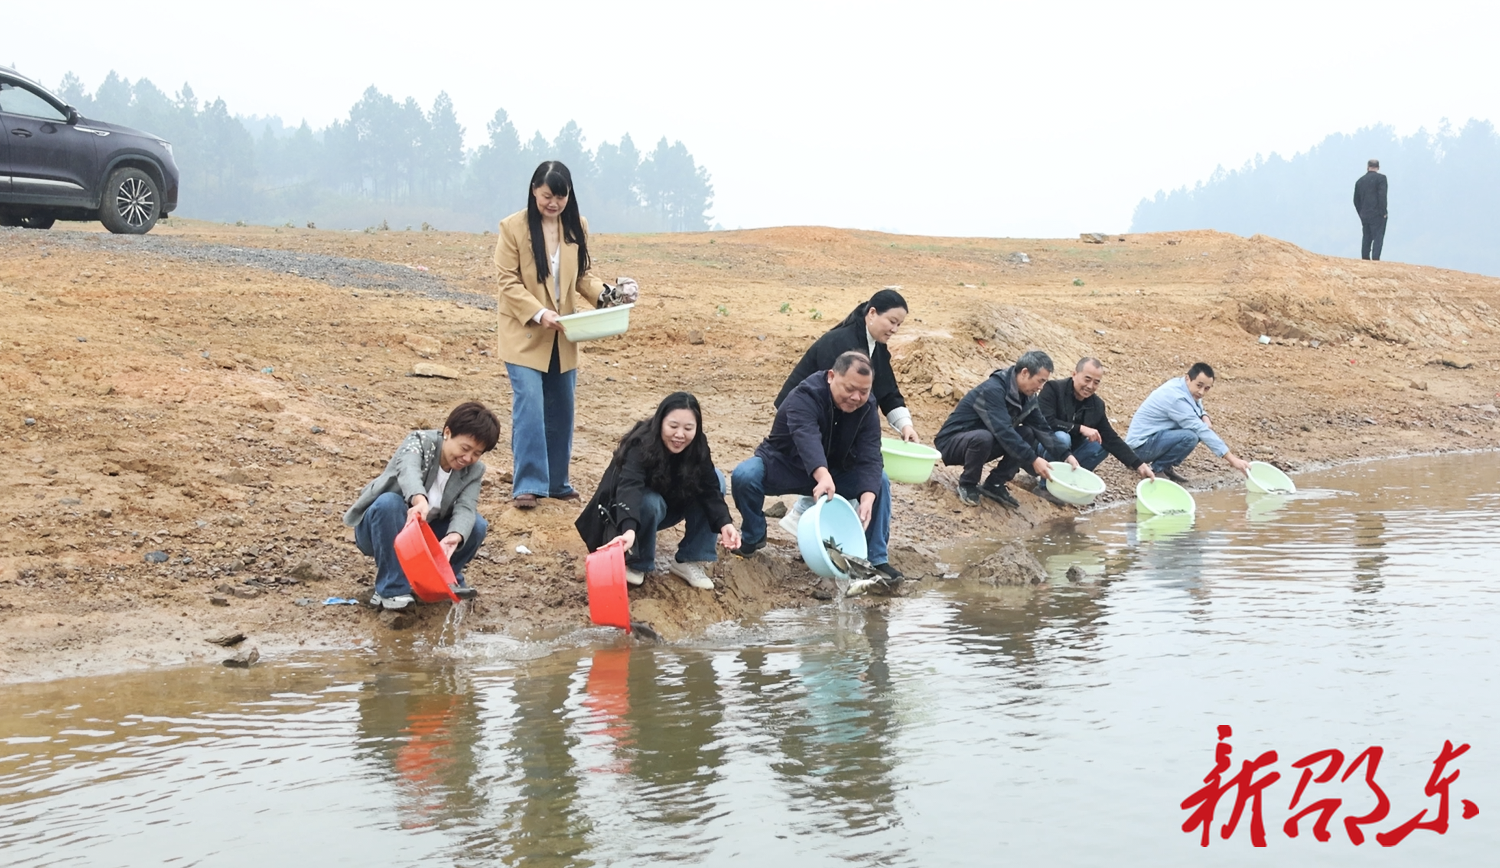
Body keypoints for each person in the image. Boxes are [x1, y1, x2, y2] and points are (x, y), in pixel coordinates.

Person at [494, 160, 639, 510]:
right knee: (530, 405)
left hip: (565, 333)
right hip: (526, 334)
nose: (553, 204)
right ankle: (528, 483)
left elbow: (581, 277)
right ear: (534, 191)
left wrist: (609, 295)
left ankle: (558, 482)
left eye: (561, 197)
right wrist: (540, 313)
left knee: (562, 409)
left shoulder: (576, 226)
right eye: (547, 196)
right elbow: (508, 282)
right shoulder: (512, 228)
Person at [730, 350, 902, 582]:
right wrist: (822, 474)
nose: (856, 397)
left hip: (835, 472)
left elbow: (870, 453)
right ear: (831, 376)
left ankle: (876, 558)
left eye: (864, 391)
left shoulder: (867, 406)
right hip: (786, 464)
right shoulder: (805, 395)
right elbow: (806, 437)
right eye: (850, 389)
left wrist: (868, 496)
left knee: (877, 481)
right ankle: (754, 535)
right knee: (745, 475)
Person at [772, 289, 917, 533]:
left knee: (855, 460)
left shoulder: (876, 348)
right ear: (872, 313)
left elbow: (887, 389)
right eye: (892, 321)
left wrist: (904, 424)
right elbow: (833, 399)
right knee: (839, 457)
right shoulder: (840, 344)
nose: (894, 329)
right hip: (802, 416)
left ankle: (817, 518)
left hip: (835, 417)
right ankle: (803, 512)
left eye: (899, 324)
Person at [343, 402, 501, 610]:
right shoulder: (419, 442)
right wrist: (419, 500)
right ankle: (392, 589)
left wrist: (456, 535)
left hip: (424, 536)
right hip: (382, 528)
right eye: (465, 448)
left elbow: (466, 507)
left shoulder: (474, 471)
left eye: (477, 453)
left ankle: (443, 579)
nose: (468, 458)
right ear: (447, 432)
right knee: (389, 503)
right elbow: (408, 470)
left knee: (475, 526)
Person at [576, 392, 741, 589]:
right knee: (650, 502)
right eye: (673, 426)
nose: (680, 435)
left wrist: (725, 523)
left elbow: (710, 488)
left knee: (718, 479)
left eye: (688, 428)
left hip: (669, 506)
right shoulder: (641, 443)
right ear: (660, 422)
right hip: (631, 511)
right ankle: (637, 562)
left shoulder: (698, 445)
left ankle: (689, 559)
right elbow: (629, 487)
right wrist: (628, 530)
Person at [934, 350, 1077, 509]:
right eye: (1040, 381)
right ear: (1024, 373)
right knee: (984, 437)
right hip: (953, 443)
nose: (1041, 387)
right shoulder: (993, 390)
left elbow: (1042, 427)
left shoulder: (1028, 396)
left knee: (1028, 433)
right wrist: (1033, 459)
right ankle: (968, 484)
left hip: (984, 443)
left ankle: (995, 484)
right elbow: (1003, 431)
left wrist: (1066, 455)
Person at [1124, 362, 1250, 484]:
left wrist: (1204, 415)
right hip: (1138, 449)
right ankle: (1157, 469)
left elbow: (1195, 402)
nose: (1201, 392)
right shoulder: (1176, 398)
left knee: (1195, 431)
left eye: (1206, 388)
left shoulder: (1182, 385)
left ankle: (1165, 466)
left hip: (1153, 438)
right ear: (1188, 378)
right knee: (1191, 436)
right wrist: (1232, 459)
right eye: (1199, 386)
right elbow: (1200, 429)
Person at [1038, 357, 1156, 484]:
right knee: (1062, 438)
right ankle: (1045, 485)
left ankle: (1069, 483)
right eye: (1087, 379)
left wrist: (1139, 464)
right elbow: (1045, 421)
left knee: (1100, 445)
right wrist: (1080, 428)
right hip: (1043, 447)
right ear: (1074, 374)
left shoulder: (1097, 405)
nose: (1090, 386)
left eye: (1096, 382)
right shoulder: (1054, 389)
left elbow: (1111, 438)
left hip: (1073, 452)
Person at [1353, 158, 1388, 261]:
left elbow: (1356, 200)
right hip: (1377, 214)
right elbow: (1382, 196)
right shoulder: (1381, 179)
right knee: (1378, 237)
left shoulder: (1360, 181)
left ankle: (1365, 258)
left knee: (1366, 237)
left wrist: (1361, 213)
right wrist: (1383, 212)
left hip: (1365, 214)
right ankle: (1376, 259)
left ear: (1367, 167)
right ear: (1378, 167)